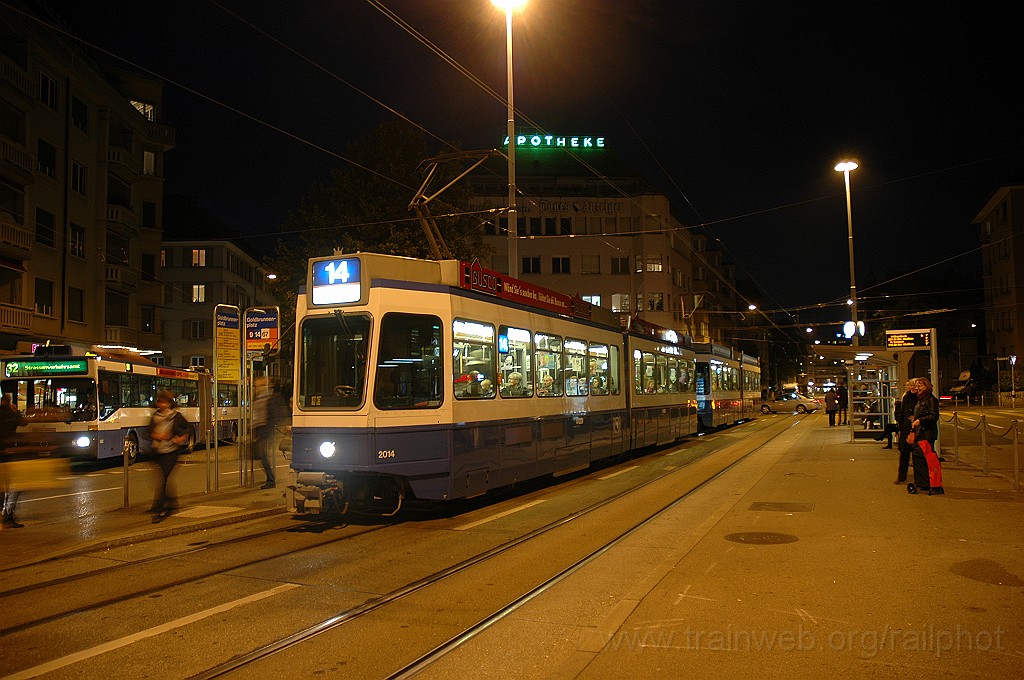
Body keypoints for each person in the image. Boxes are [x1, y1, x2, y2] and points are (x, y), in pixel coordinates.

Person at [149, 389, 190, 522]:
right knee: (164, 480)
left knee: (163, 480)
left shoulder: (176, 416)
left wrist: (180, 438)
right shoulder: (155, 416)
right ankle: (172, 505)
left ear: (169, 403)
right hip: (158, 451)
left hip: (171, 452)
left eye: (164, 402)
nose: (161, 405)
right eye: (160, 402)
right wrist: (156, 435)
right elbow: (148, 431)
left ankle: (158, 510)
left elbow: (187, 428)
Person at [253, 379, 289, 489]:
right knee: (260, 456)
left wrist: (268, 428)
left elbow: (275, 415)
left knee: (263, 456)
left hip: (266, 430)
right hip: (260, 430)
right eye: (256, 386)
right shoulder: (259, 398)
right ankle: (270, 479)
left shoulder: (271, 398)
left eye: (259, 385)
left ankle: (271, 480)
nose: (257, 388)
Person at [907, 377, 940, 490]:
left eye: (920, 385)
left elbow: (934, 416)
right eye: (917, 385)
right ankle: (923, 481)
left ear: (926, 386)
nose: (917, 387)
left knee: (923, 457)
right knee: (919, 457)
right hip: (920, 433)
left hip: (926, 433)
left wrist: (920, 420)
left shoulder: (930, 399)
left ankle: (927, 482)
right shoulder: (920, 399)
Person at [0, 394, 28, 528]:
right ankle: (8, 516)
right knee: (8, 487)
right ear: (10, 402)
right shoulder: (10, 414)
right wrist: (15, 411)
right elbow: (23, 422)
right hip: (7, 452)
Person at [890, 380, 920, 482]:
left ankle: (919, 479)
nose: (911, 387)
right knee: (904, 454)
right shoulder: (906, 397)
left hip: (917, 429)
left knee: (917, 455)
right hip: (906, 428)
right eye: (909, 385)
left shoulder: (921, 397)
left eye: (913, 385)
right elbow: (902, 413)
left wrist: (916, 418)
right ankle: (901, 476)